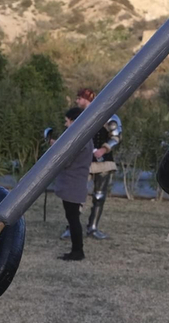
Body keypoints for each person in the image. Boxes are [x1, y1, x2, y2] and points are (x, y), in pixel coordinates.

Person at [58, 87, 122, 241]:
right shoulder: (78, 117)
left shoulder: (107, 116)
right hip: (82, 161)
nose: (77, 101)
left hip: (103, 160)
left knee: (99, 196)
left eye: (79, 98)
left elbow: (115, 136)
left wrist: (103, 149)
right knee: (76, 195)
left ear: (87, 98)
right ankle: (72, 228)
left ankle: (92, 227)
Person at [49, 105, 91, 261]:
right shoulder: (84, 137)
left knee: (73, 220)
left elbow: (67, 160)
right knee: (72, 218)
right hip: (75, 184)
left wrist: (56, 150)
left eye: (67, 121)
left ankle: (77, 251)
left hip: (73, 185)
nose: (66, 125)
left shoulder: (80, 139)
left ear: (75, 121)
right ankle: (76, 250)